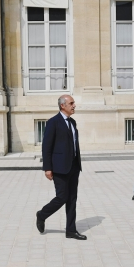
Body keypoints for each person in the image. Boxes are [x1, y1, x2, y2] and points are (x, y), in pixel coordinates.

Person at [36, 95, 86, 241]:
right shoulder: (53, 122)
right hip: (59, 167)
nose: (74, 105)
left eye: (74, 103)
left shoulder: (73, 122)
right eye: (71, 103)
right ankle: (42, 214)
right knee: (62, 197)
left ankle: (71, 230)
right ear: (62, 105)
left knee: (72, 199)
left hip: (74, 167)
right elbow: (47, 147)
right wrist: (47, 168)